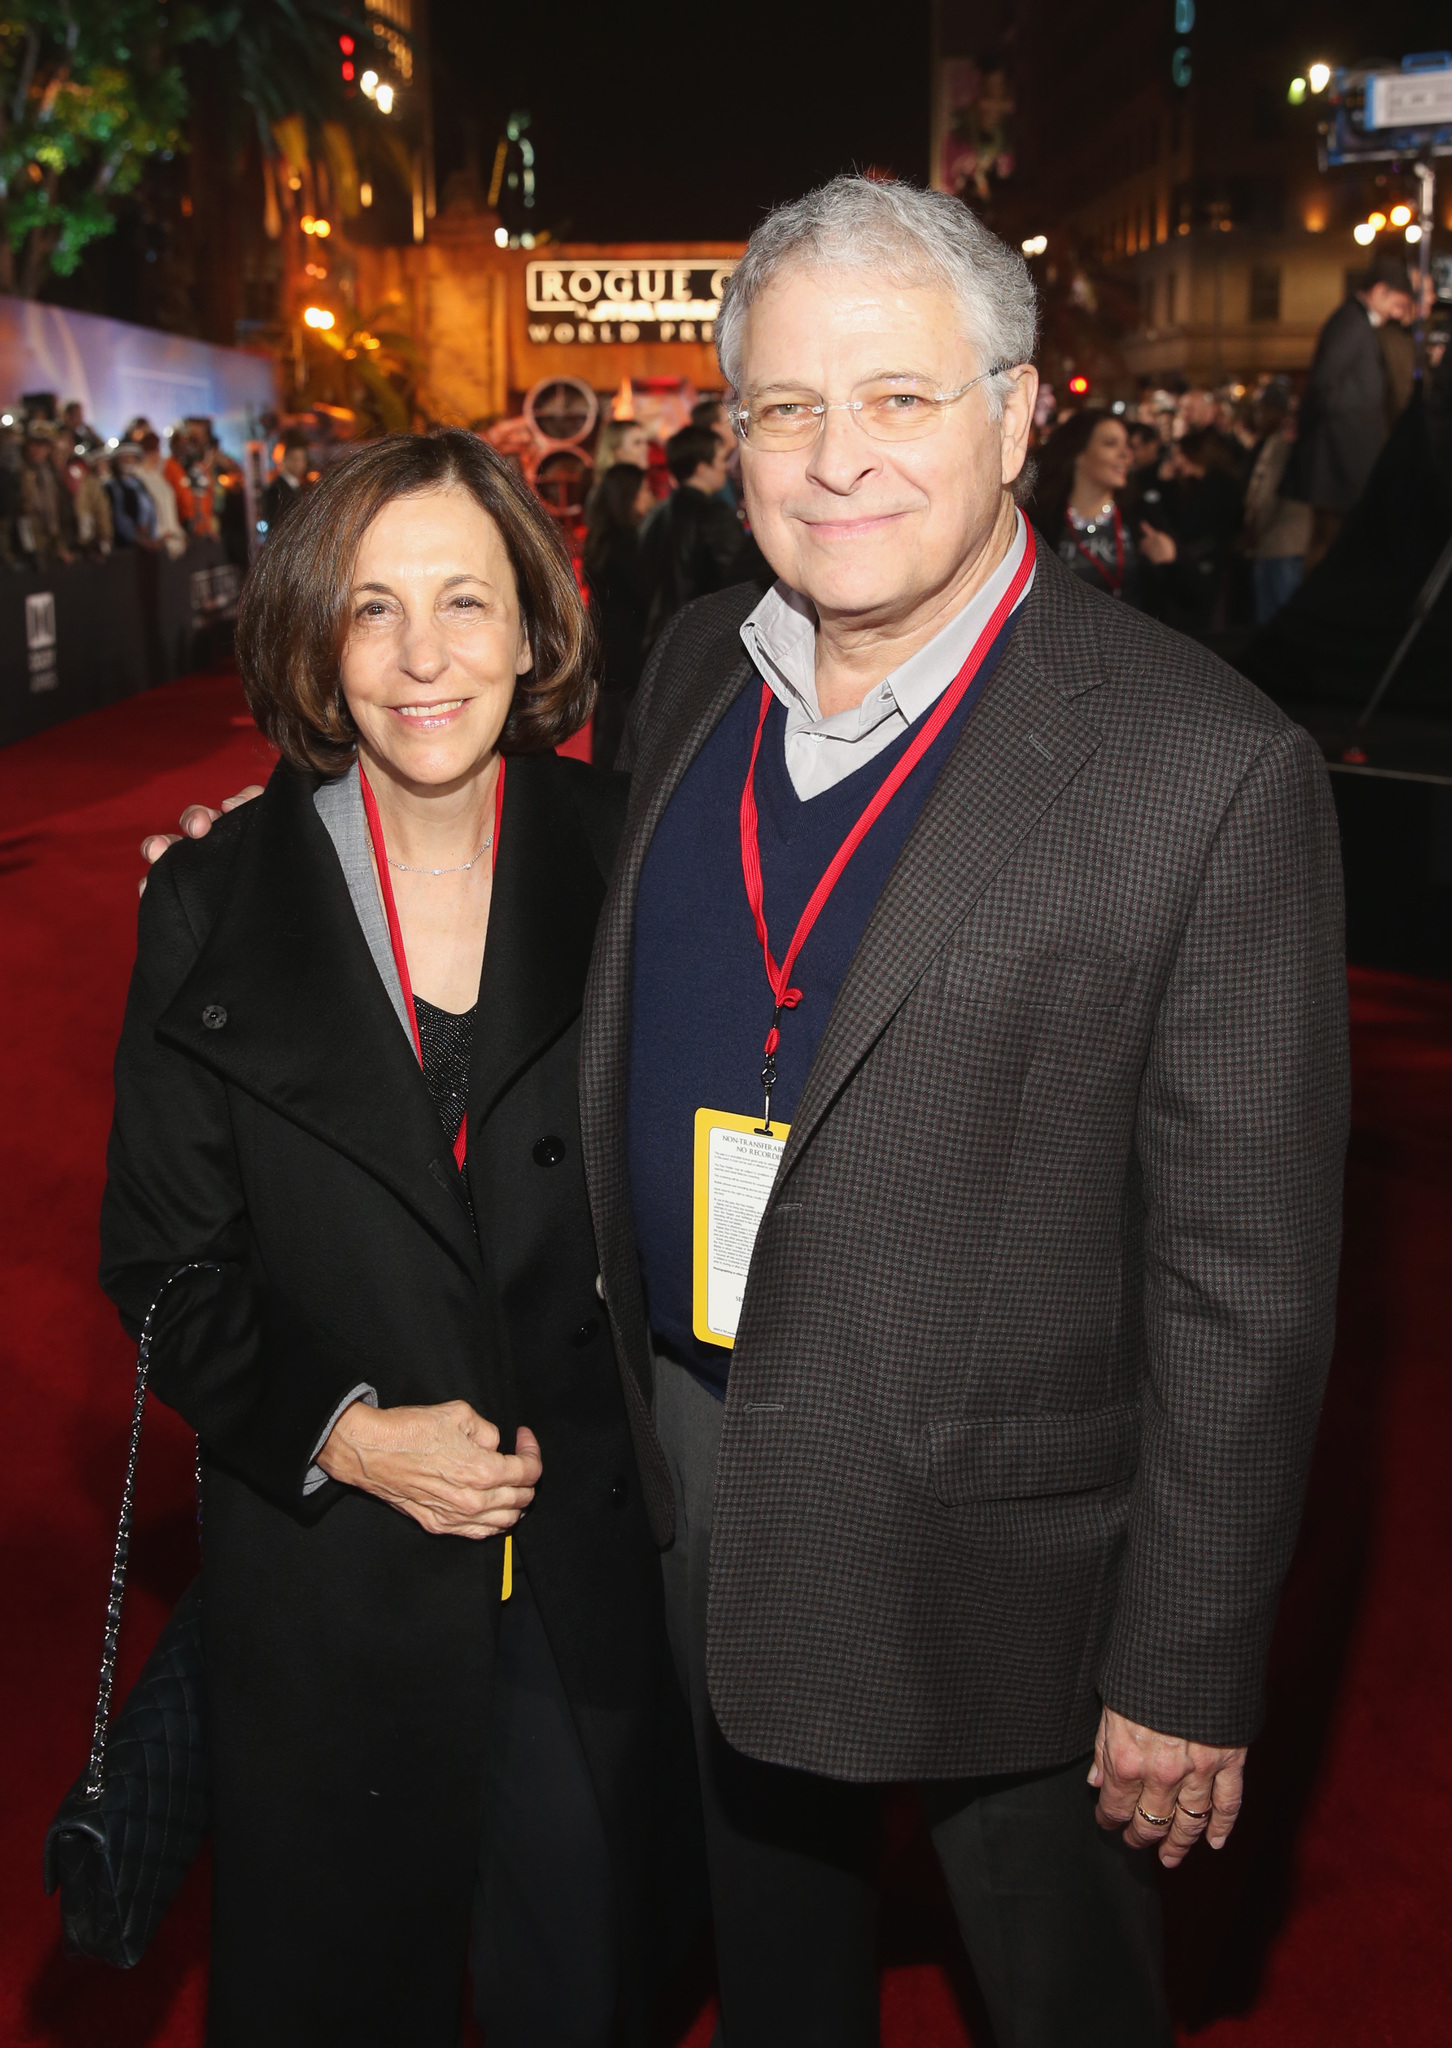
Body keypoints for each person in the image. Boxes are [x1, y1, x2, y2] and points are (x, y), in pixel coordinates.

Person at [151, 175, 1349, 2048]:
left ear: (1018, 414)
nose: (835, 456)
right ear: (733, 439)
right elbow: (487, 865)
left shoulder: (1203, 769)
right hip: (680, 1467)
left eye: (897, 397)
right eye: (786, 406)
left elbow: (1245, 1274)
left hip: (1006, 1547)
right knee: (768, 1970)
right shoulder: (706, 656)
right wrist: (260, 876)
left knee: (1060, 1996)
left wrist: (1184, 1657)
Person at [107, 430, 689, 2047]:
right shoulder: (211, 900)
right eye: (373, 609)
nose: (425, 656)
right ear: (313, 639)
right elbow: (165, 1265)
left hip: (587, 1560)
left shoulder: (642, 856)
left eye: (464, 601)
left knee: (585, 1973)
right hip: (332, 1579)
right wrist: (349, 1435)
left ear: (533, 626)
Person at [1289, 249, 1414, 568]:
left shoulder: (1359, 324)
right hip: (1338, 465)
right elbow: (1323, 385)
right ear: (1378, 291)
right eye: (1397, 304)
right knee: (1328, 550)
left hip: (1344, 463)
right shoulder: (1351, 322)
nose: (1398, 314)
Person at [1028, 407, 1175, 608]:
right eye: (1110, 444)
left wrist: (1171, 561)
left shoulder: (1143, 515)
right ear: (1078, 453)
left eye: (1128, 445)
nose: (1126, 454)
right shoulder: (1041, 522)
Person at [637, 423, 756, 649]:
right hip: (699, 639)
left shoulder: (654, 516)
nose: (725, 467)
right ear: (702, 468)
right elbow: (738, 582)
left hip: (654, 637)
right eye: (721, 459)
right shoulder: (714, 515)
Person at [583, 460, 653, 769]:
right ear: (630, 496)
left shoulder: (601, 539)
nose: (651, 497)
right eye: (645, 490)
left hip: (606, 645)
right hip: (627, 649)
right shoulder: (625, 544)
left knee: (608, 727)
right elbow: (644, 592)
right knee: (621, 732)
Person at [1241, 398, 1311, 625]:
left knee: (1274, 620)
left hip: (1275, 544)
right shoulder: (1311, 447)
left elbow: (1265, 496)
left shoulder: (1279, 446)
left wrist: (1253, 530)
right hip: (1296, 544)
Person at [135, 432, 188, 558]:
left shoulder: (158, 476)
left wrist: (177, 531)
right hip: (157, 545)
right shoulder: (138, 477)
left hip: (173, 541)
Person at [107, 441, 159, 549]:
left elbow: (151, 509)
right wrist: (137, 538)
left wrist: (152, 534)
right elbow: (118, 516)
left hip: (146, 539)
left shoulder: (140, 483)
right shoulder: (114, 486)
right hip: (127, 545)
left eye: (132, 458)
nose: (129, 461)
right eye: (125, 458)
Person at [261, 430, 312, 536]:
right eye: (295, 459)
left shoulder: (302, 485)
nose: (300, 464)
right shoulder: (276, 489)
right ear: (285, 460)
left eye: (303, 459)